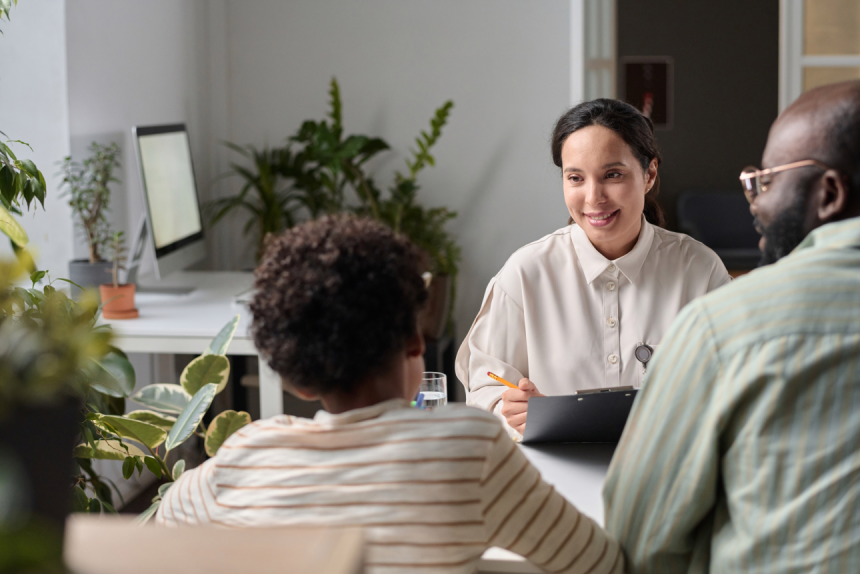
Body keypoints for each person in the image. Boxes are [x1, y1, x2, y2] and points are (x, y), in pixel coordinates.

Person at [157, 215, 624, 574]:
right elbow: (598, 562)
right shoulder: (469, 446)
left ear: (295, 379)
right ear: (415, 344)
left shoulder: (245, 457)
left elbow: (165, 525)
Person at [603, 79, 860, 572]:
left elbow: (639, 541)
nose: (754, 202)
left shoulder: (724, 328)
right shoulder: (526, 268)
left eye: (765, 182)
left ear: (829, 193)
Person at [456, 99, 731, 438]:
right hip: (556, 479)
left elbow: (733, 385)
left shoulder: (699, 271)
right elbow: (485, 386)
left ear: (649, 175)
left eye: (612, 175)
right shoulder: (526, 273)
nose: (593, 197)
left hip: (666, 474)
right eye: (575, 178)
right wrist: (507, 407)